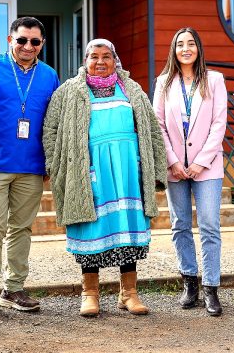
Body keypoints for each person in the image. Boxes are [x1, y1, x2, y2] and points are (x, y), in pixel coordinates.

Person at [43, 39, 167, 317]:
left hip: (126, 170)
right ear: (85, 61)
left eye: (106, 56)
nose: (100, 62)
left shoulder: (131, 89)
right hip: (87, 170)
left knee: (128, 228)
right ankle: (90, 294)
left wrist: (155, 169)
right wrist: (57, 167)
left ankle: (129, 293)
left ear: (115, 59)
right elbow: (50, 129)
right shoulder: (69, 91)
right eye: (94, 56)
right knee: (91, 227)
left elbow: (152, 130)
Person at [0, 17, 60, 319]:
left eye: (35, 42)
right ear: (11, 40)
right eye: (21, 40)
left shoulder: (49, 75)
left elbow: (53, 122)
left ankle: (14, 288)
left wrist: (51, 160)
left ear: (42, 44)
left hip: (32, 166)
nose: (27, 46)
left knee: (21, 228)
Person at [153, 27, 227, 317]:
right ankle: (189, 283)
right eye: (180, 44)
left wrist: (200, 162)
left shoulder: (215, 80)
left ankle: (211, 288)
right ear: (174, 49)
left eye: (191, 43)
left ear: (198, 48)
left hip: (206, 167)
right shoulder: (163, 82)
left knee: (209, 225)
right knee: (179, 225)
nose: (186, 48)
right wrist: (172, 161)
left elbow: (219, 124)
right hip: (175, 168)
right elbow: (157, 124)